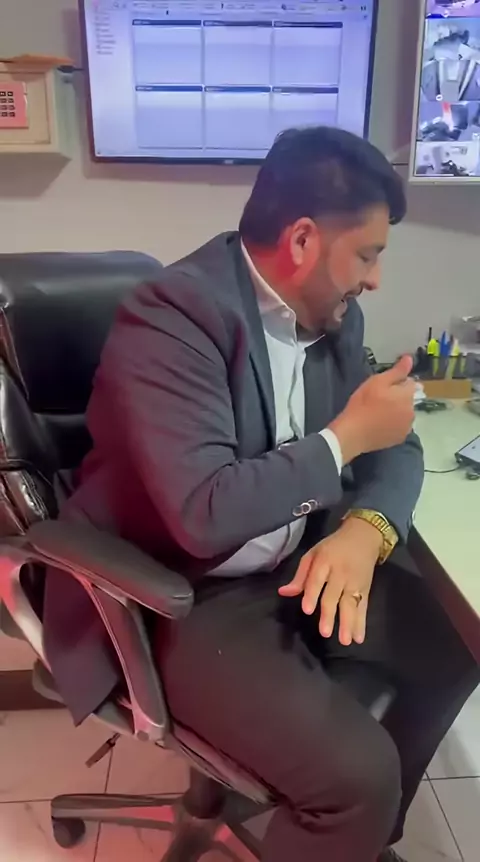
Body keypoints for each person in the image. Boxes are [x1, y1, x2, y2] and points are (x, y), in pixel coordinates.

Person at [44, 127, 480, 862]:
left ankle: (355, 840)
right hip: (180, 592)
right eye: (367, 255)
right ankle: (348, 814)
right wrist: (343, 439)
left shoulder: (334, 315)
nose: (375, 279)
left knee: (453, 645)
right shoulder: (172, 318)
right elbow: (202, 512)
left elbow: (395, 443)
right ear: (303, 240)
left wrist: (365, 531)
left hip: (292, 560)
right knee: (358, 777)